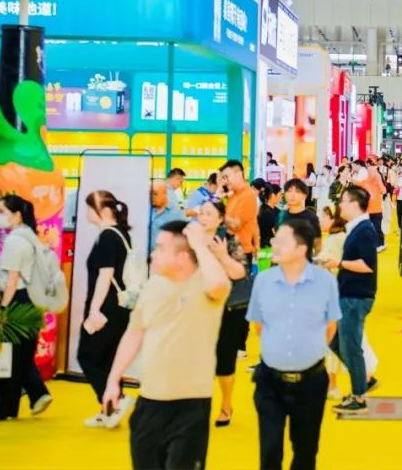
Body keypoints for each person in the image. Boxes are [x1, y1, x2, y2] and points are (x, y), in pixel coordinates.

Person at [102, 220, 230, 470]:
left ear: (182, 257)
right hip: (150, 401)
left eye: (161, 248)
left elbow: (219, 285)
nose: (153, 254)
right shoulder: (154, 285)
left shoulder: (205, 283)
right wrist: (113, 380)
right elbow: (134, 333)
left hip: (191, 405)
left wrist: (199, 245)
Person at [248, 218, 340, 470]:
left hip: (311, 381)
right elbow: (258, 325)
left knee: (306, 451)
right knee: (269, 451)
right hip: (269, 381)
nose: (274, 244)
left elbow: (330, 327)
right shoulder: (263, 281)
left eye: (281, 241)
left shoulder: (325, 282)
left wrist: (306, 350)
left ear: (301, 249)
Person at [0, 194, 52, 421]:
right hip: (33, 300)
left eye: (2, 211)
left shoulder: (15, 241)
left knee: (10, 357)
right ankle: (35, 394)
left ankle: (6, 408)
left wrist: (3, 308)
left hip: (18, 299)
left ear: (17, 215)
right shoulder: (31, 237)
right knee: (22, 355)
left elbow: (12, 280)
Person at [78, 191, 134, 429]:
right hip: (118, 306)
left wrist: (94, 309)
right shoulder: (120, 234)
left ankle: (116, 400)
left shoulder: (108, 237)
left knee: (88, 355)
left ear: (104, 211)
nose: (87, 212)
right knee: (107, 358)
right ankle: (108, 409)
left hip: (106, 307)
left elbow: (105, 275)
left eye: (91, 207)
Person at [194, 199, 248, 428]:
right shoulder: (190, 240)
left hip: (226, 309)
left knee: (224, 361)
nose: (203, 217)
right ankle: (198, 407)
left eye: (209, 213)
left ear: (220, 219)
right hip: (196, 308)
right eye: (201, 213)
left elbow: (240, 273)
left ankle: (226, 404)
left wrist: (222, 256)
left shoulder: (228, 240)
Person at [316, 206, 379, 400]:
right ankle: (362, 380)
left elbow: (364, 265)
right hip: (340, 295)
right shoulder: (343, 235)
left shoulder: (349, 235)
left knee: (347, 344)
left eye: (324, 216)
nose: (319, 219)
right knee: (341, 343)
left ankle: (355, 391)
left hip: (344, 296)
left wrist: (336, 264)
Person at [221, 159, 259, 256]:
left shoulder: (247, 195)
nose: (224, 182)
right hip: (231, 248)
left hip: (240, 251)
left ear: (238, 175)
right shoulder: (233, 196)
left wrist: (219, 215)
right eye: (223, 178)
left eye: (226, 177)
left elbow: (236, 225)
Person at [149, 180, 186, 250]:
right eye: (150, 194)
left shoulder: (177, 214)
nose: (151, 197)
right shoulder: (147, 211)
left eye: (155, 193)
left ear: (164, 193)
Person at [254, 179, 280, 249]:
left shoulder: (272, 209)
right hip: (267, 246)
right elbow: (274, 231)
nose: (280, 197)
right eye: (280, 195)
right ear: (273, 195)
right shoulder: (266, 212)